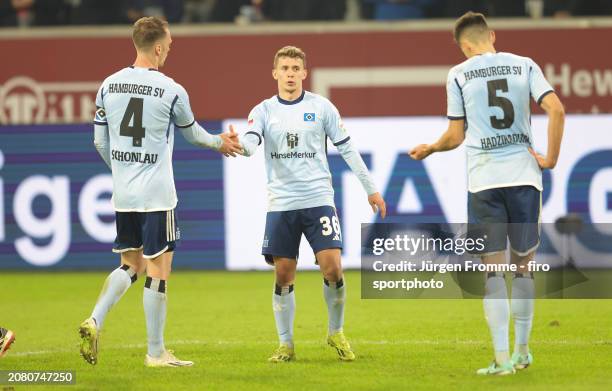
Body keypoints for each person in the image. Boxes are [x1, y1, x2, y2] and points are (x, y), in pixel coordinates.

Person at [79, 16, 242, 368]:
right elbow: (193, 134)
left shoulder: (108, 85)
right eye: (168, 44)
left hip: (124, 194)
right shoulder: (171, 89)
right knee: (158, 269)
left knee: (129, 264)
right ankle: (156, 352)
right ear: (156, 47)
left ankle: (95, 319)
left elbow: (98, 140)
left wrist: (123, 172)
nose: (170, 49)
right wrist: (220, 143)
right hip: (157, 194)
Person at [409, 11, 564, 375]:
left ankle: (500, 360)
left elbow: (455, 136)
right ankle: (523, 353)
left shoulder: (459, 74)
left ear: (464, 47)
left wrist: (430, 148)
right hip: (525, 178)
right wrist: (551, 158)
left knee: (493, 273)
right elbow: (556, 108)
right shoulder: (524, 65)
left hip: (484, 183)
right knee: (523, 269)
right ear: (492, 35)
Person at [235, 46, 386, 363]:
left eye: (295, 68)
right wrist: (241, 146)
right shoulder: (262, 110)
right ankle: (286, 344)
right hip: (282, 204)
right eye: (285, 68)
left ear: (305, 73)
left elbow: (348, 150)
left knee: (332, 266)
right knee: (284, 274)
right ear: (274, 73)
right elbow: (251, 141)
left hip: (319, 201)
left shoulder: (322, 108)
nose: (290, 74)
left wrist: (370, 189)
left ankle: (336, 332)